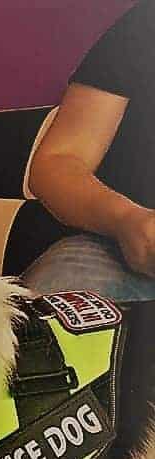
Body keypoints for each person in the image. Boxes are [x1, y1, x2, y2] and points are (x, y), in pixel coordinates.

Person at [24, 0, 155, 301]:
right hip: (115, 250)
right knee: (56, 305)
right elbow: (56, 163)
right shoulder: (145, 24)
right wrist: (127, 221)